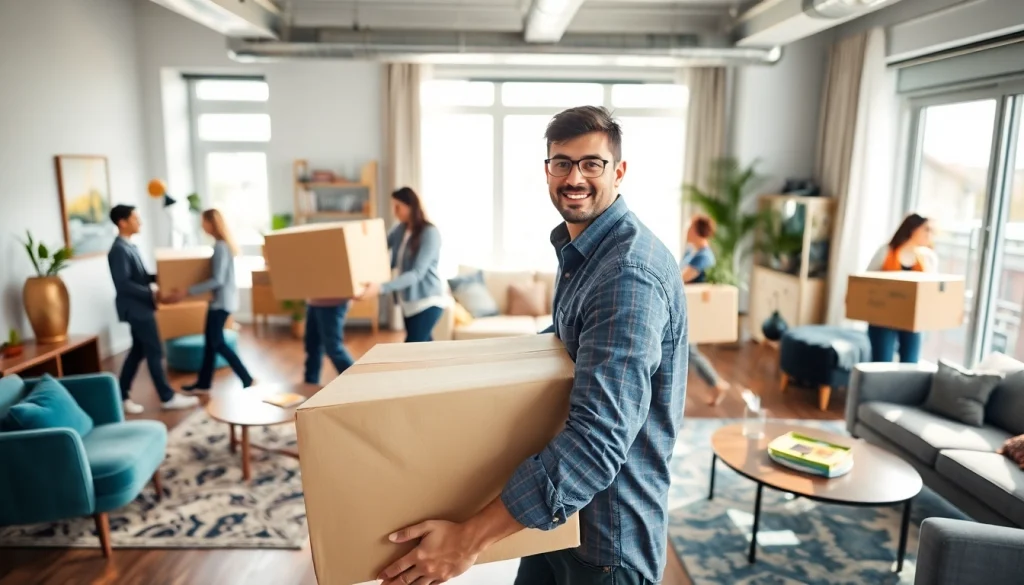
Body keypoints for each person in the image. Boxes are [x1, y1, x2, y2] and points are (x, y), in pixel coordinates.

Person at [376, 106, 687, 585]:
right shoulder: (583, 251)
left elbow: (596, 442)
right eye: (561, 162)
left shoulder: (626, 276)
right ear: (546, 171)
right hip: (554, 519)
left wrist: (469, 540)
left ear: (619, 172)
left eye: (592, 163)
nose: (574, 177)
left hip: (605, 544)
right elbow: (563, 349)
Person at [107, 204, 199, 414]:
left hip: (141, 307)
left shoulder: (130, 246)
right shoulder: (118, 250)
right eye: (135, 219)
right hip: (136, 309)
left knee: (138, 352)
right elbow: (123, 284)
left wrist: (164, 276)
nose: (139, 222)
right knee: (155, 351)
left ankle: (121, 396)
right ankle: (167, 397)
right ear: (122, 222)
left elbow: (138, 277)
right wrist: (154, 293)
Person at [356, 187, 445, 342]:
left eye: (398, 206)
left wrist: (381, 287)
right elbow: (380, 248)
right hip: (408, 303)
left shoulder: (430, 233)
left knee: (410, 348)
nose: (394, 211)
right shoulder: (400, 229)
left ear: (411, 206)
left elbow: (417, 274)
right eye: (393, 206)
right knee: (424, 349)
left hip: (427, 302)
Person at [180, 209, 255, 391]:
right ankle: (203, 384)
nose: (201, 226)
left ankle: (246, 377)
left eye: (203, 222)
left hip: (220, 303)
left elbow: (217, 279)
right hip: (220, 302)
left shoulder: (221, 246)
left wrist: (187, 291)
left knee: (217, 343)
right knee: (211, 345)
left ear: (211, 223)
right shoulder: (222, 245)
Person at [681, 213, 744, 406]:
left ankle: (716, 383)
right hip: (685, 307)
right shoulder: (691, 252)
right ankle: (715, 384)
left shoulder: (704, 257)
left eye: (690, 227)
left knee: (688, 350)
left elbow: (681, 278)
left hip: (693, 310)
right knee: (687, 350)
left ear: (697, 231)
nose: (687, 231)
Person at [865, 212, 938, 363]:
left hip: (912, 320)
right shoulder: (885, 252)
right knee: (881, 363)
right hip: (882, 318)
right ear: (913, 229)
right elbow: (865, 284)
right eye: (926, 229)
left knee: (910, 364)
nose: (929, 234)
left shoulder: (928, 258)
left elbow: (931, 289)